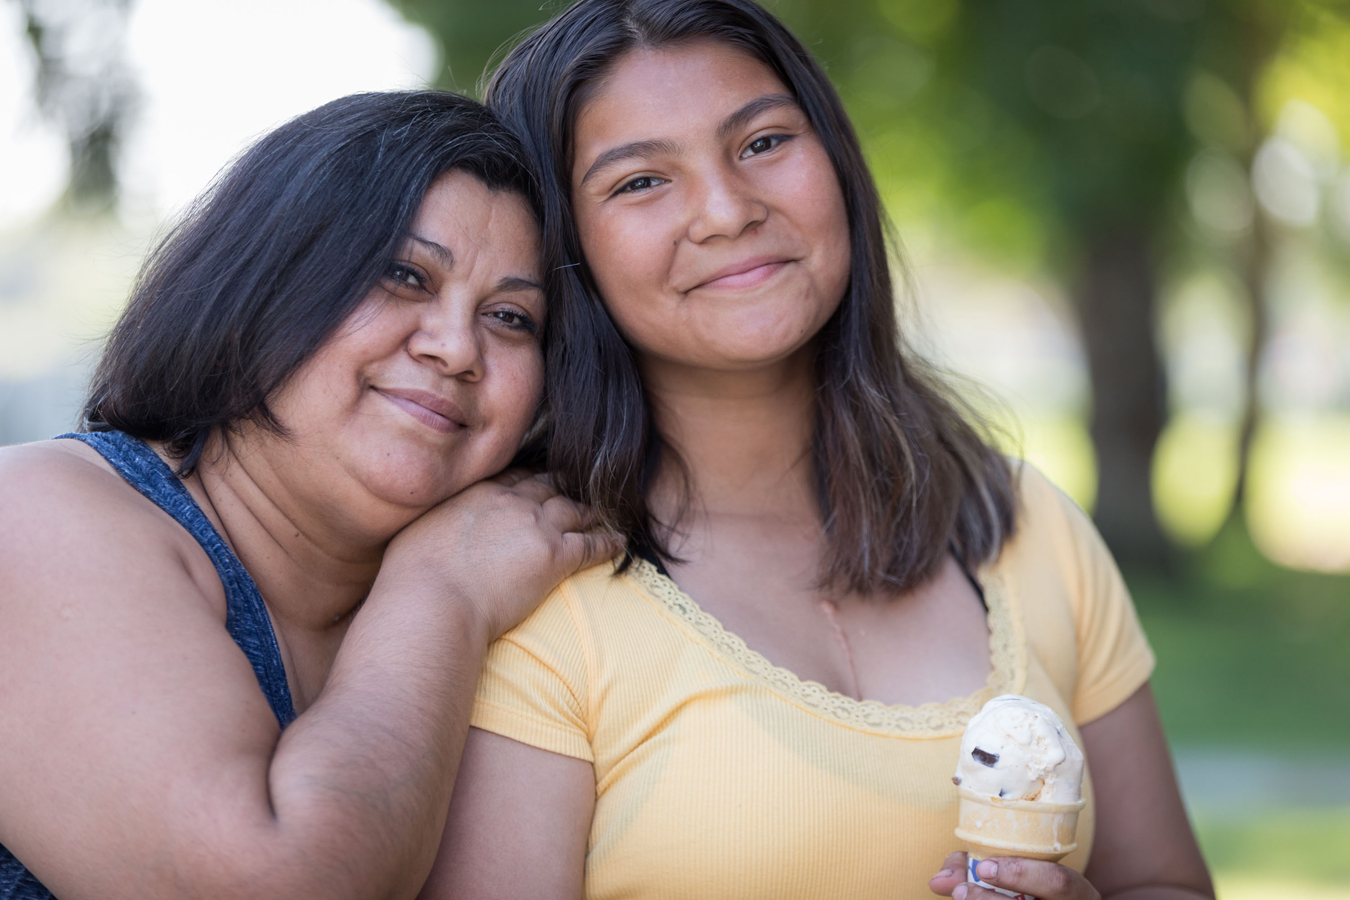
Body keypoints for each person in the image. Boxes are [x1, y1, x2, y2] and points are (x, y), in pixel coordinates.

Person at [419, 3, 1216, 899]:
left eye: (762, 143)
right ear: (565, 245)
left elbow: (1165, 882)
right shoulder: (525, 590)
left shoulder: (1028, 527)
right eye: (640, 181)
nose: (725, 211)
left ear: (836, 158)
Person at [0, 91, 616, 900]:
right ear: (264, 277)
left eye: (510, 317)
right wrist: (441, 594)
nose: (457, 347)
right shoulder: (36, 512)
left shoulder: (533, 612)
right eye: (404, 274)